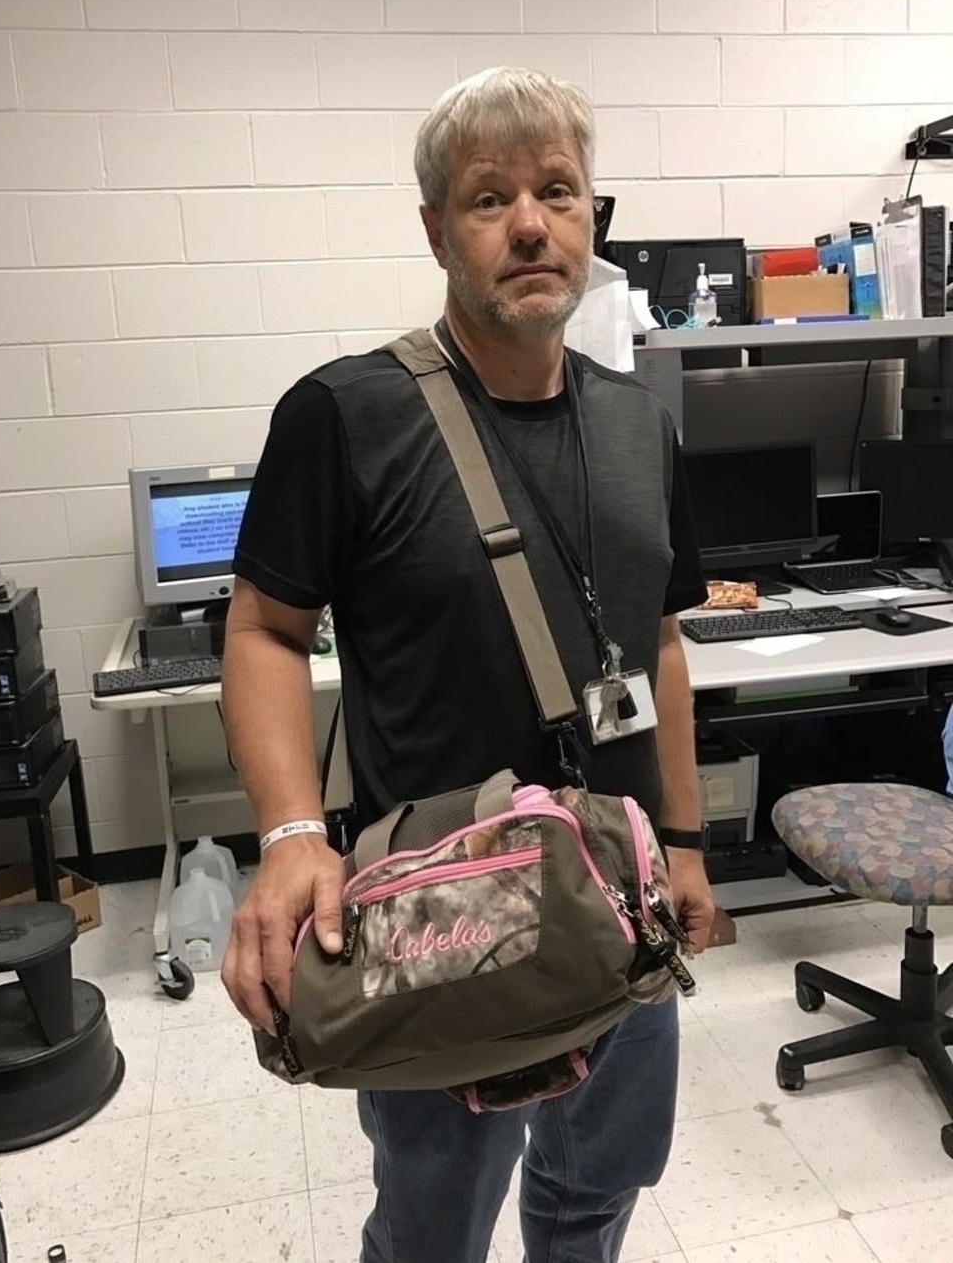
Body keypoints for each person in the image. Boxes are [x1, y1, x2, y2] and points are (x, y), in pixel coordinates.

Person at [220, 66, 715, 1263]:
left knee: (598, 1184)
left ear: (594, 215)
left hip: (623, 890)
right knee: (436, 1221)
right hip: (440, 918)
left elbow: (658, 636)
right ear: (436, 228)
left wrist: (691, 844)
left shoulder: (639, 421)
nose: (531, 222)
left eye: (558, 190)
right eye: (489, 197)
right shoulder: (344, 415)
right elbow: (264, 632)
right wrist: (293, 839)